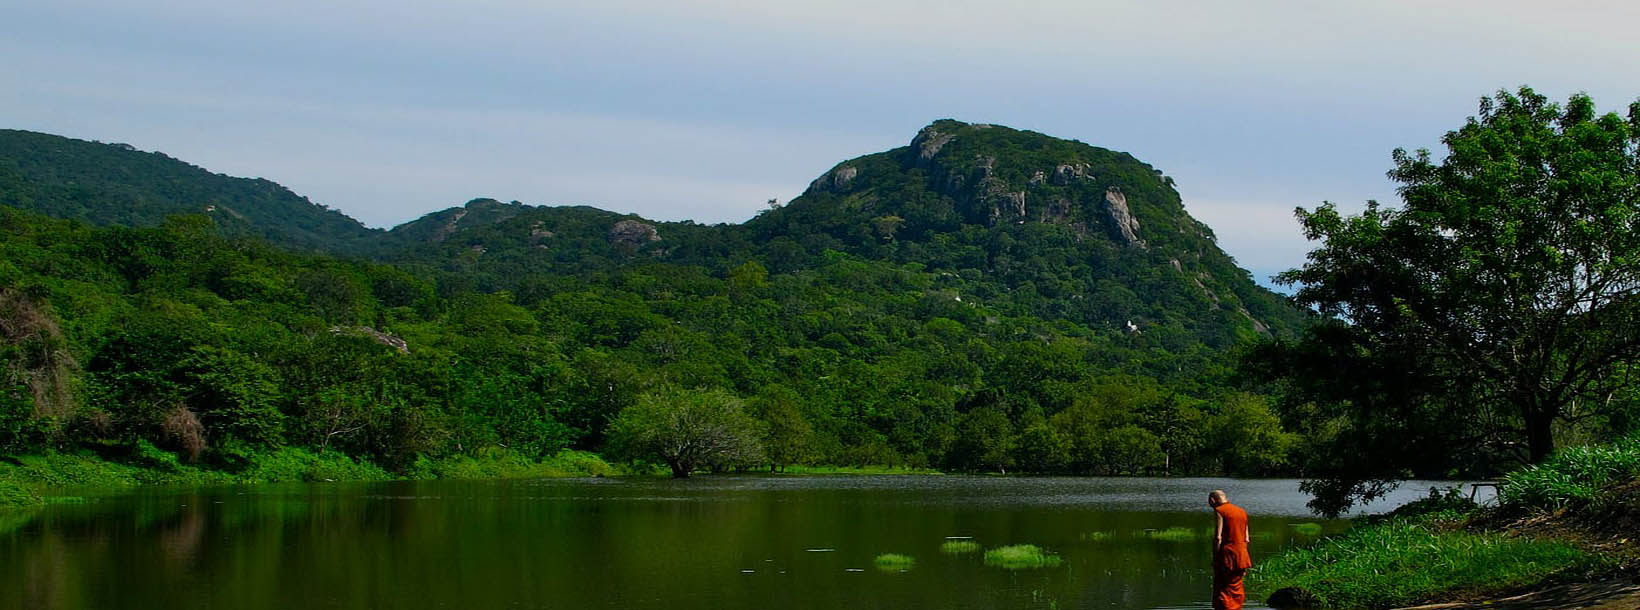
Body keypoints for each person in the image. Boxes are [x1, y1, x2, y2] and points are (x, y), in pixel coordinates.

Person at [1208, 489, 1252, 610]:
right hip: (1242, 556)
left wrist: (1215, 557)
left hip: (1228, 556)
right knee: (1236, 586)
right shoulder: (1241, 511)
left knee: (1223, 587)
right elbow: (1247, 538)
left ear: (1212, 500)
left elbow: (1218, 538)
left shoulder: (1220, 511)